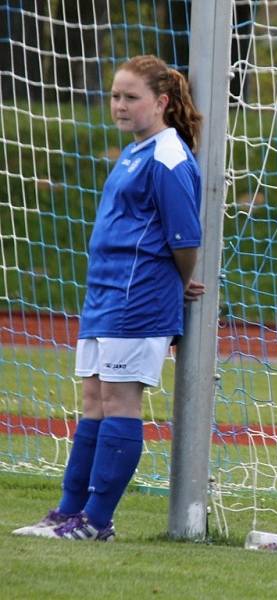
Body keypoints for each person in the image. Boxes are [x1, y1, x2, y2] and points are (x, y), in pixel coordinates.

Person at [12, 54, 205, 541]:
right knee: (94, 400)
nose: (120, 105)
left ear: (160, 102)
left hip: (137, 298)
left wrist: (176, 286)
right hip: (105, 296)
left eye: (131, 97)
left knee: (119, 402)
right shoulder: (135, 151)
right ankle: (68, 513)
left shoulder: (169, 156)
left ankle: (97, 522)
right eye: (116, 96)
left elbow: (185, 240)